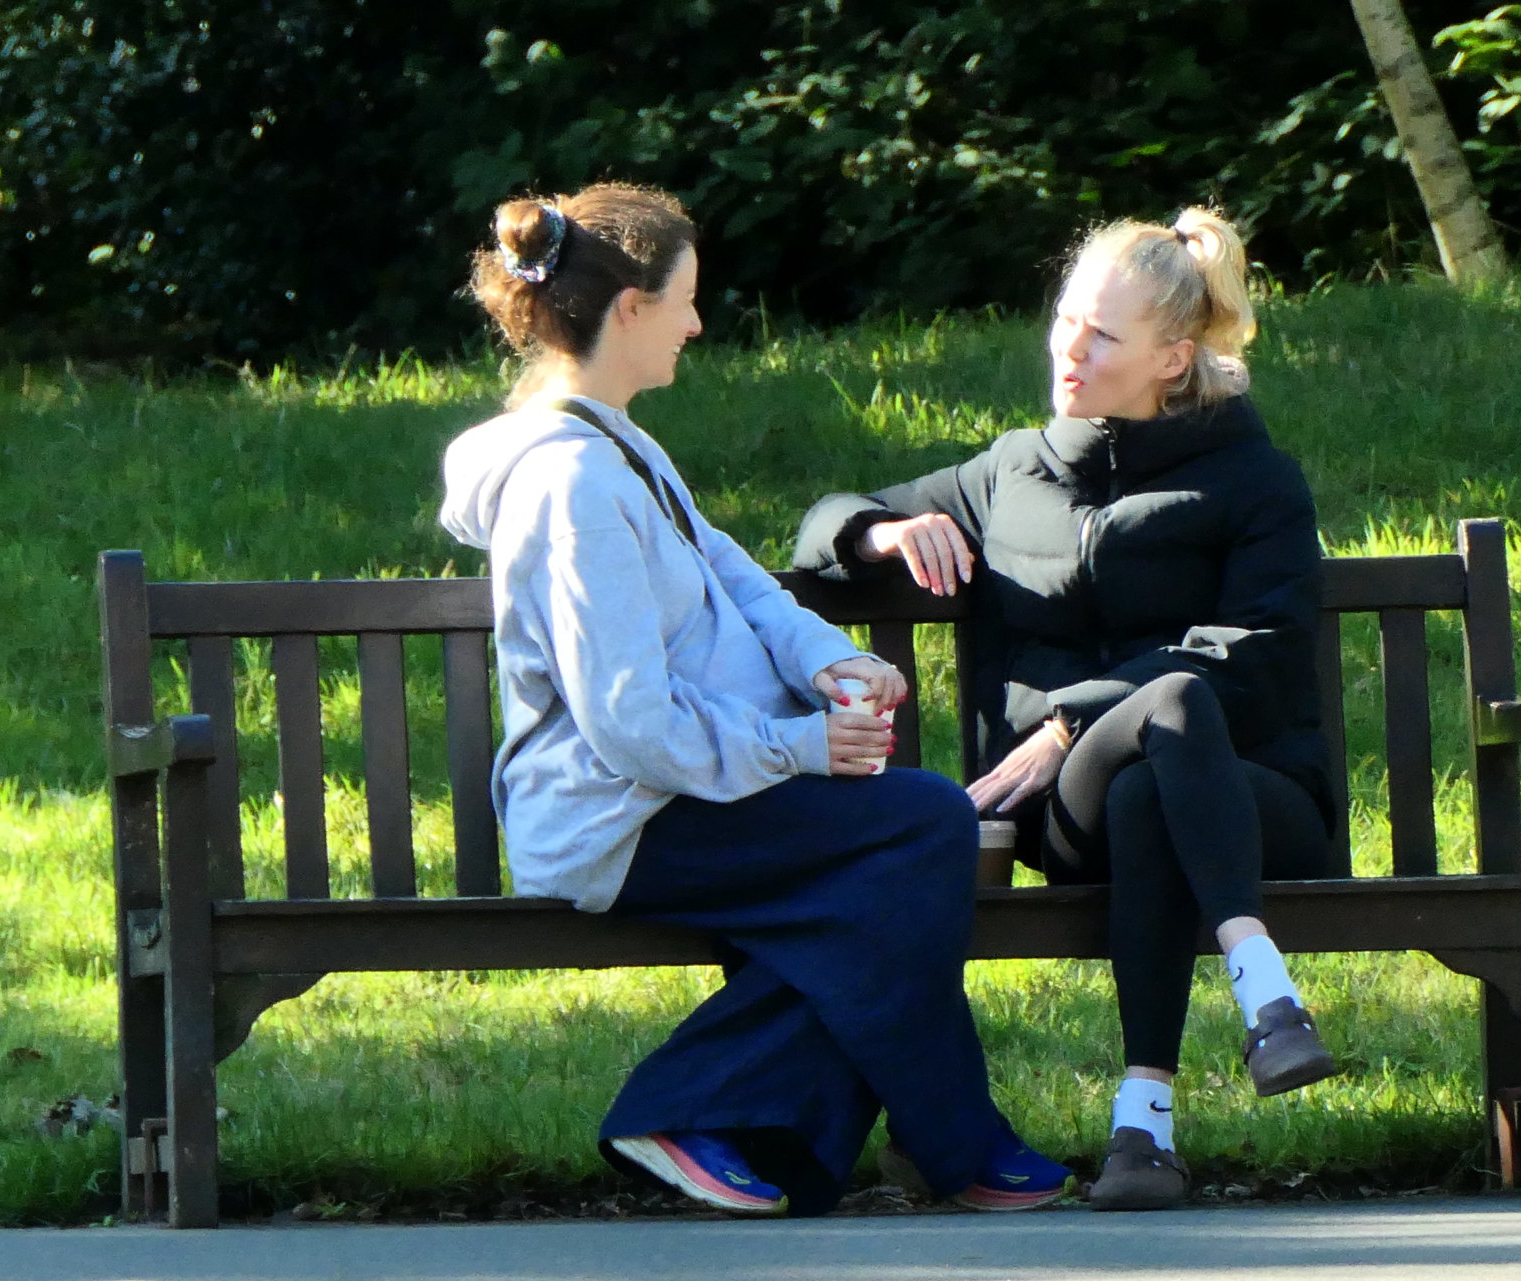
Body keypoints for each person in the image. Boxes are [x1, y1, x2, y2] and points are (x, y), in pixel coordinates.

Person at [438, 184, 1069, 1218]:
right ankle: (722, 1110)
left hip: (683, 788)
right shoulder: (574, 486)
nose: (696, 321)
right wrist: (804, 747)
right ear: (630, 310)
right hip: (623, 816)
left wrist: (830, 662)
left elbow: (728, 570)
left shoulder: (618, 444)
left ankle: (816, 1137)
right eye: (685, 299)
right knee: (918, 830)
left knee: (879, 884)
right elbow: (630, 723)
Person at [794, 207, 1340, 1213]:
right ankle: (1262, 991)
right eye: (1067, 321)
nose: (1069, 349)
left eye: (1103, 336)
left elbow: (1255, 658)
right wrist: (881, 531)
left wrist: (1069, 719)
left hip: (1254, 800)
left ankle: (1145, 1129)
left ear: (1175, 358)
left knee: (1161, 758)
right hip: (1063, 817)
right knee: (1138, 767)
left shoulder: (1255, 482)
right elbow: (818, 523)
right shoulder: (1010, 472)